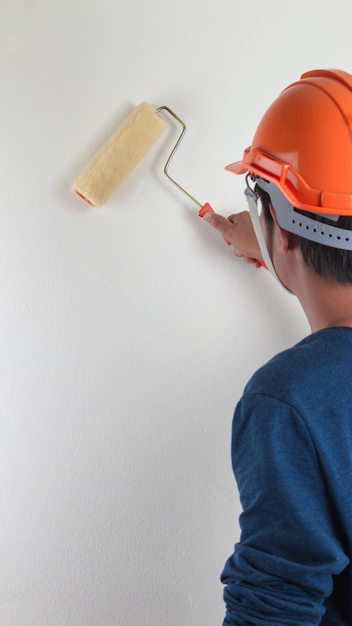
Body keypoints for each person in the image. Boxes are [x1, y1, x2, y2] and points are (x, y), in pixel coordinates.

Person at [203, 69, 352, 625]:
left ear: (283, 230)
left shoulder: (291, 401)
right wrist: (278, 244)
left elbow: (274, 609)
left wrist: (280, 246)